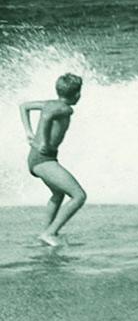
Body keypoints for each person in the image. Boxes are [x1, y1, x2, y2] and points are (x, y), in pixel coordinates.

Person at [19, 73, 87, 246]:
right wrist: (44, 141)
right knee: (79, 196)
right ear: (77, 94)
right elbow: (47, 117)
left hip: (36, 158)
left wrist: (29, 132)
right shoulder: (66, 109)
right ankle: (50, 233)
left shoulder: (50, 104)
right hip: (44, 159)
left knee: (58, 193)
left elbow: (24, 106)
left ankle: (45, 231)